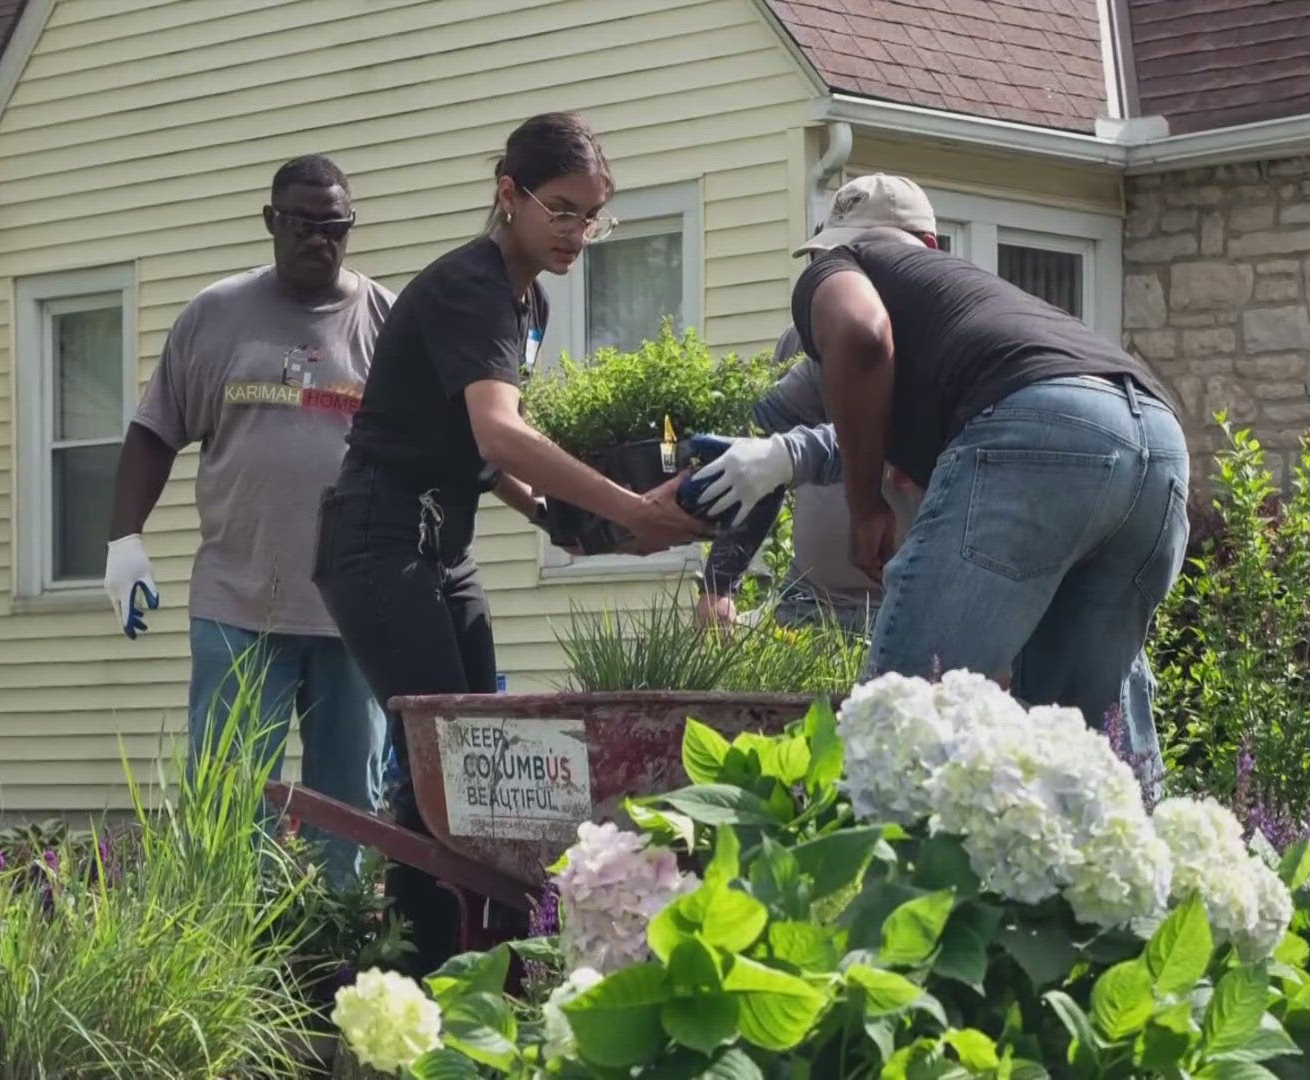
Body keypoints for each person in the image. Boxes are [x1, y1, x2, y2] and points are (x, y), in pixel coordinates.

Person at [314, 112, 709, 975]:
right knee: (446, 768)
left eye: (592, 216)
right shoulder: (471, 286)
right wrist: (632, 511)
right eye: (561, 212)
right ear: (509, 195)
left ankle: (455, 966)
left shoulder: (528, 297)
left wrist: (569, 525)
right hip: (380, 546)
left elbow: (479, 457)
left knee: (472, 772)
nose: (579, 234)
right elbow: (498, 434)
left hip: (440, 550)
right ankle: (415, 976)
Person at [790, 216, 1188, 787]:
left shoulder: (840, 263)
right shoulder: (971, 302)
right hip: (1159, 437)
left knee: (903, 726)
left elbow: (860, 334)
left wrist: (862, 506)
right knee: (1086, 765)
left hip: (1042, 426)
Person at [104, 154, 394, 885]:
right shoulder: (216, 316)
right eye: (302, 224)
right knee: (229, 806)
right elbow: (154, 431)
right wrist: (124, 539)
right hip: (239, 605)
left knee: (349, 808)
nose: (319, 240)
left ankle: (341, 959)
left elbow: (431, 447)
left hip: (354, 612)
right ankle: (232, 958)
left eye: (335, 227)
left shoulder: (385, 321)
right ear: (272, 221)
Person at [692, 176, 934, 634]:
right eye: (830, 260)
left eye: (858, 256)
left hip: (910, 610)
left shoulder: (945, 342)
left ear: (925, 249)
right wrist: (718, 583)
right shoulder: (808, 337)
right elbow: (763, 451)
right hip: (807, 605)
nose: (841, 277)